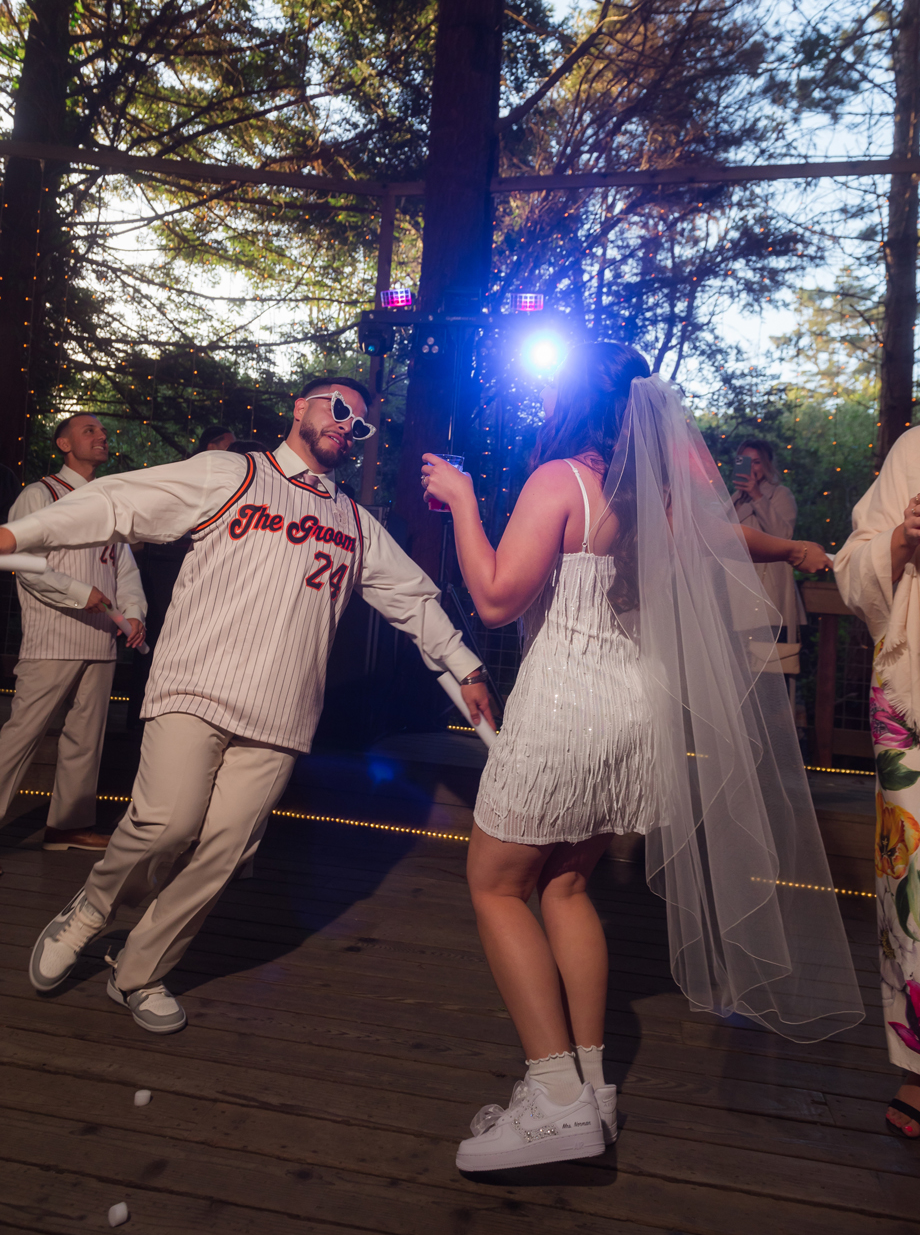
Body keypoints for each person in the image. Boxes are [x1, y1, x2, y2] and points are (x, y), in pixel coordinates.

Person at [422, 342, 864, 1172]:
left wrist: (462, 501)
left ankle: (554, 1094)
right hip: (635, 714)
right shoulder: (658, 501)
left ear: (574, 400)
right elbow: (731, 540)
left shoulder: (561, 479)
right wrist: (794, 549)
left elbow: (495, 597)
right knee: (565, 885)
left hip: (565, 708)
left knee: (495, 885)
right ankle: (592, 1088)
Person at [2, 376, 493, 1036]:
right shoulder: (231, 474)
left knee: (225, 851)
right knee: (167, 823)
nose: (347, 425)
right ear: (300, 407)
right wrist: (20, 534)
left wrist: (465, 666)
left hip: (281, 713)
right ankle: (91, 908)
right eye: (338, 408)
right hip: (196, 685)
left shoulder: (355, 523)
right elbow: (119, 499)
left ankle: (138, 971)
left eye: (360, 423)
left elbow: (413, 598)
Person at [0, 413, 146, 856]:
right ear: (64, 444)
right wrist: (79, 592)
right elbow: (18, 560)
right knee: (21, 736)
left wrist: (134, 613)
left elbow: (124, 566)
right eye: (89, 431)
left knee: (86, 740)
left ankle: (67, 826)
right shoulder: (40, 494)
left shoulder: (108, 500)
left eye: (102, 431)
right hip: (53, 637)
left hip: (101, 638)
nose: (102, 436)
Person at [833, 426, 920, 1139]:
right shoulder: (913, 450)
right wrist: (900, 541)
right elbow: (851, 562)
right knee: (911, 879)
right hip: (911, 701)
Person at [731, 437, 806, 659]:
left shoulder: (780, 494)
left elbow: (784, 536)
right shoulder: (735, 499)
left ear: (766, 464)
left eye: (756, 462)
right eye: (745, 461)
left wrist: (757, 496)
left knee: (765, 662)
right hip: (734, 592)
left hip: (764, 594)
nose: (751, 467)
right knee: (738, 664)